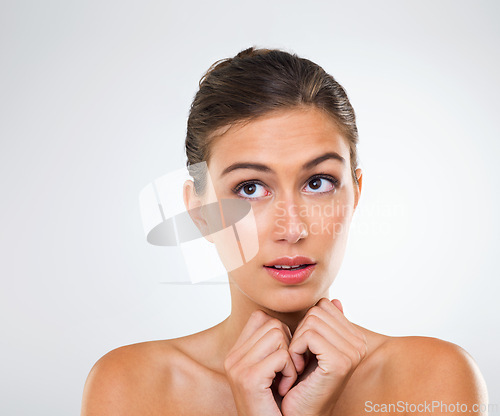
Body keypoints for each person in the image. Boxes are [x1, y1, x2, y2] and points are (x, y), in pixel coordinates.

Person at [81, 47, 488, 415]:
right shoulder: (130, 388)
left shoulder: (434, 381)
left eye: (318, 182)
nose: (291, 229)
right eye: (251, 188)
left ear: (356, 194)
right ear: (199, 212)